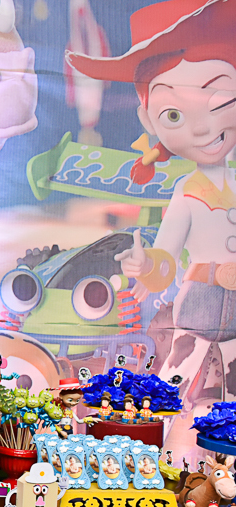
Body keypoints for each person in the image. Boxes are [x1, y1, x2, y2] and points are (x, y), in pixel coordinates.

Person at [68, 0, 236, 402]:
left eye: (218, 101)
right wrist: (146, 266)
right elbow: (166, 260)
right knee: (178, 392)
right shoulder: (187, 192)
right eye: (174, 115)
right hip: (198, 309)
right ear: (149, 120)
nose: (202, 128)